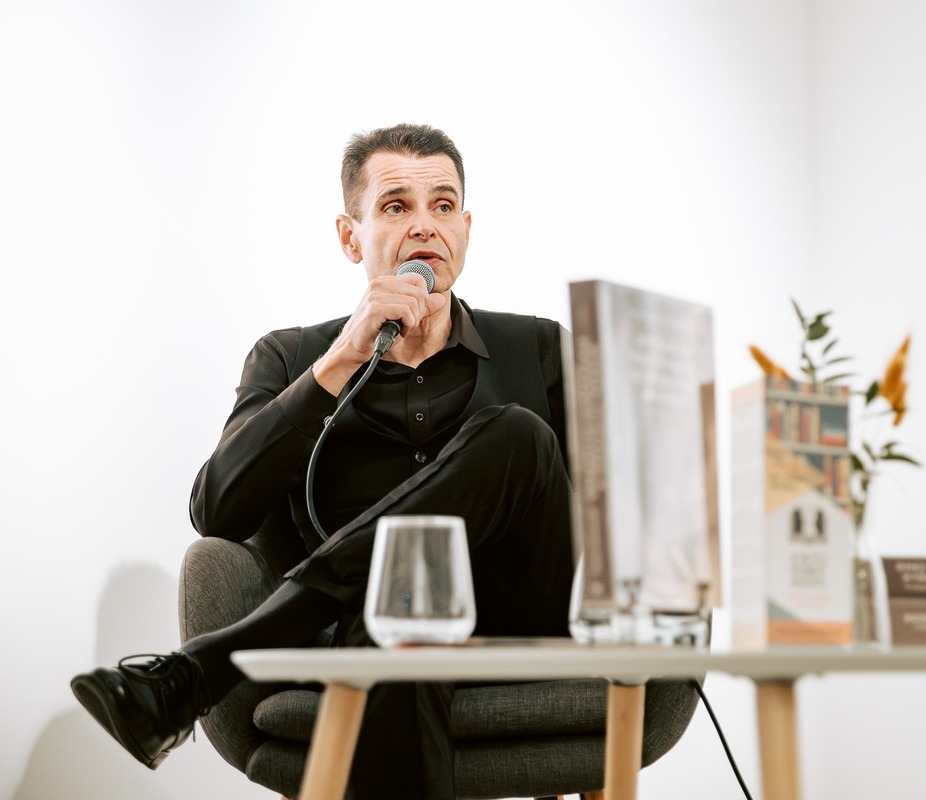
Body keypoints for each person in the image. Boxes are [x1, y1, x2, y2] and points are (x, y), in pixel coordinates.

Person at [71, 123, 576, 799]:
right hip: (367, 635)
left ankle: (212, 663)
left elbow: (603, 521)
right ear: (350, 237)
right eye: (396, 206)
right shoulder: (290, 358)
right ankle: (325, 628)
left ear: (466, 227)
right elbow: (217, 511)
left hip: (526, 624)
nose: (425, 225)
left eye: (443, 205)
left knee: (518, 435)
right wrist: (339, 361)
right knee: (397, 618)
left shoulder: (539, 348)